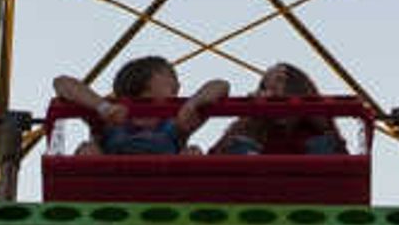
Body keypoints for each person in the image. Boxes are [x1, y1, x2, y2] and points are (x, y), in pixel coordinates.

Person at [51, 53, 228, 155]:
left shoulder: (176, 122)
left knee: (193, 153)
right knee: (87, 150)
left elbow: (220, 85)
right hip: (110, 182)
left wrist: (193, 104)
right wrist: (103, 107)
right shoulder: (110, 121)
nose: (178, 85)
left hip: (166, 181)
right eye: (170, 78)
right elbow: (61, 83)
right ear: (145, 81)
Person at [212, 61, 349, 157]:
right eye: (265, 85)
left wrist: (317, 120)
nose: (272, 88)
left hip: (308, 186)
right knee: (241, 143)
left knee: (323, 142)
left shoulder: (315, 124)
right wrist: (252, 115)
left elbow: (341, 155)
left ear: (296, 86)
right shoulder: (254, 125)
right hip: (258, 185)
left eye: (279, 80)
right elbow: (217, 154)